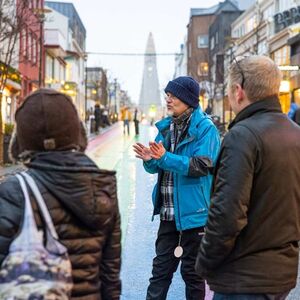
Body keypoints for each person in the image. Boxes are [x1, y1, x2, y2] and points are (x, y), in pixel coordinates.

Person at [196, 55, 300, 300]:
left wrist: (205, 261)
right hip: (280, 275)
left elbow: (228, 214)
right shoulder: (295, 134)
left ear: (238, 90)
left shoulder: (242, 136)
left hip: (243, 278)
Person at [0, 89, 121, 299]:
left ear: (22, 140)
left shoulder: (13, 192)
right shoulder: (102, 187)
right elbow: (110, 275)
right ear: (77, 132)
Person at [133, 76, 220, 300]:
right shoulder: (167, 127)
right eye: (167, 96)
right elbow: (157, 167)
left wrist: (165, 158)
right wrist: (149, 159)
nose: (168, 100)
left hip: (195, 217)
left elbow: (202, 165)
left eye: (173, 96)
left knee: (193, 276)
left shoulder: (206, 129)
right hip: (168, 216)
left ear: (188, 99)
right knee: (160, 273)